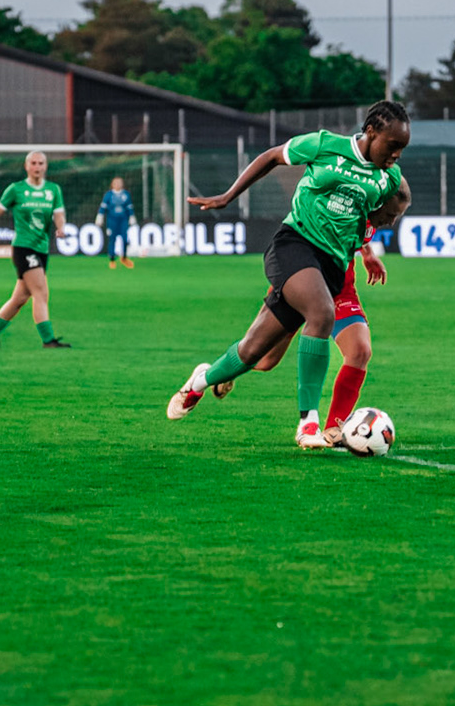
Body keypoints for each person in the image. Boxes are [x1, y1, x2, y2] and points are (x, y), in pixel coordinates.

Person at [167, 101, 412, 448]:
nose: (397, 154)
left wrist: (367, 251)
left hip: (331, 265)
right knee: (322, 313)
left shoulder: (388, 179)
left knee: (256, 355)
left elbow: (367, 218)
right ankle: (309, 425)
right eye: (393, 145)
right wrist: (228, 195)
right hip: (294, 244)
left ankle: (199, 382)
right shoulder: (325, 144)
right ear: (371, 132)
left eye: (403, 148)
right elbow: (271, 157)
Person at [211, 223, 388, 435]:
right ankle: (224, 370)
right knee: (265, 361)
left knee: (360, 351)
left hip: (339, 291)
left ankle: (334, 429)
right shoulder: (321, 195)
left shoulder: (371, 197)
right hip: (299, 284)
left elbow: (361, 228)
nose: (392, 218)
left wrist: (367, 252)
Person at [0, 151, 71, 348]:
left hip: (42, 248)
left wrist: (61, 227)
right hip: (23, 247)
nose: (37, 167)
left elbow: (59, 214)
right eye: (33, 163)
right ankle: (48, 340)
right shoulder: (16, 189)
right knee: (41, 292)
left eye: (40, 163)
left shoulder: (53, 190)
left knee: (20, 298)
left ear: (45, 166)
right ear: (26, 166)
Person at [98, 176, 136, 270]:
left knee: (124, 238)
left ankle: (124, 258)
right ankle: (112, 260)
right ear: (112, 184)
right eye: (116, 183)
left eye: (120, 182)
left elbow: (129, 207)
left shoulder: (126, 194)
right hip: (112, 220)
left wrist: (131, 216)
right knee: (112, 239)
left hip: (123, 220)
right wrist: (100, 217)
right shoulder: (108, 195)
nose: (118, 184)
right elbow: (103, 207)